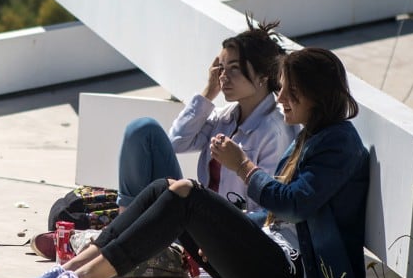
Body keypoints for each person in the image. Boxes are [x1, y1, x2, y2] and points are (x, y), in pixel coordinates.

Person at [19, 47, 369, 278]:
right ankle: (74, 268)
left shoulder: (339, 141)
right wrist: (225, 229)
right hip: (273, 262)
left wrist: (244, 167)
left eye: (291, 91)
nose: (281, 98)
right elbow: (279, 216)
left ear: (317, 93)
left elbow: (295, 204)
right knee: (165, 187)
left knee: (186, 194)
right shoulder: (311, 135)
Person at [116, 16, 296, 212]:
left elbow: (265, 209)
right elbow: (176, 142)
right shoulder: (226, 117)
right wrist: (210, 91)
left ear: (263, 76)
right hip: (196, 218)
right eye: (221, 68)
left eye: (234, 68)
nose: (223, 77)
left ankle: (124, 236)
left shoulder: (274, 132)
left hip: (228, 232)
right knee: (143, 129)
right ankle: (123, 224)